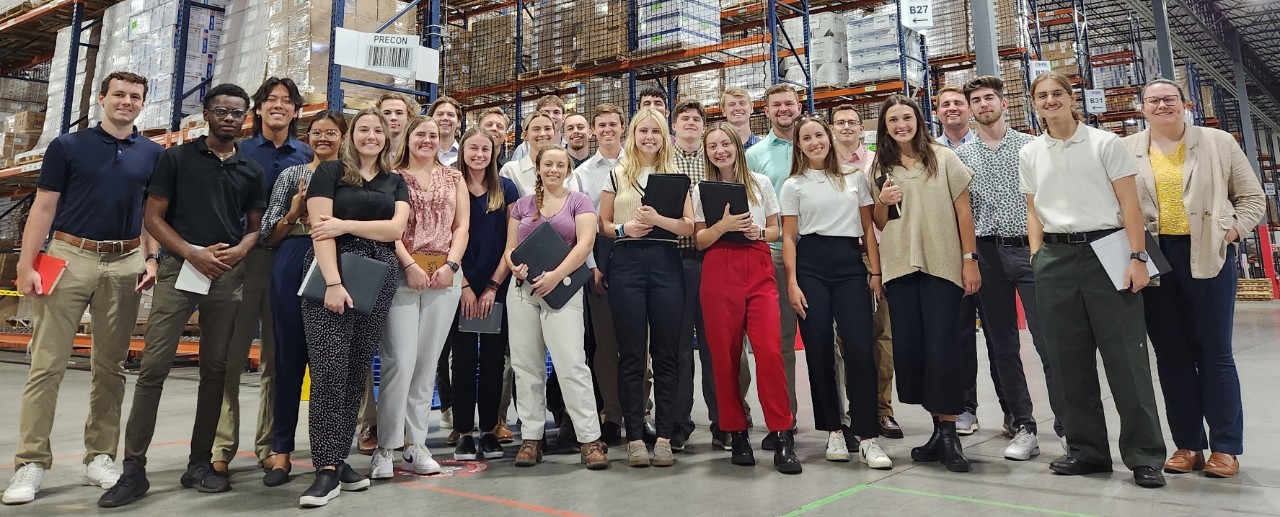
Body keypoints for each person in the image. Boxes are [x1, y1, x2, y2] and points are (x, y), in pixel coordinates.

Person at [99, 84, 266, 507]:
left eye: (237, 112)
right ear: (206, 113)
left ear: (245, 118)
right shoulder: (176, 159)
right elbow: (153, 217)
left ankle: (199, 464)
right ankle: (133, 469)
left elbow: (255, 226)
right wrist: (191, 253)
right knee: (154, 366)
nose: (229, 118)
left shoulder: (250, 169)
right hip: (180, 269)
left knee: (215, 369)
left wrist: (240, 251)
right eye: (221, 110)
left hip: (225, 273)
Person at [3, 71, 163, 506]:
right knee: (47, 363)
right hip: (69, 255)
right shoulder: (68, 146)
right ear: (101, 98)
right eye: (119, 94)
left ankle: (100, 455)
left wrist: (151, 258)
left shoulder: (153, 154)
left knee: (111, 366)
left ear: (143, 103)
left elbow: (150, 215)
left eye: (135, 96)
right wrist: (26, 264)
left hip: (126, 260)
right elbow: (43, 207)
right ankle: (31, 462)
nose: (126, 102)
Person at [1020, 72, 1167, 489]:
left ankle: (1144, 456)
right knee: (1067, 359)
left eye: (1057, 94)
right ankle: (1087, 451)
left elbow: (1130, 204)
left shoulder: (1105, 143)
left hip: (1108, 250)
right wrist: (1037, 254)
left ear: (1072, 98)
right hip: (1055, 257)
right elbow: (1032, 208)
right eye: (1042, 96)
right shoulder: (1030, 152)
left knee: (1126, 358)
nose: (1050, 100)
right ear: (1034, 103)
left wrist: (1138, 257)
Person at [1124, 78, 1264, 479]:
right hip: (1153, 256)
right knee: (1171, 357)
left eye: (1169, 98)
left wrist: (1229, 232)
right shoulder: (1126, 149)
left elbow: (1252, 198)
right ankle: (1188, 445)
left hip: (1208, 251)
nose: (1161, 105)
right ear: (1142, 108)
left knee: (1215, 353)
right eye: (1153, 100)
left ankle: (1225, 447)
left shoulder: (1218, 142)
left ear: (1184, 103)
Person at [297, 108, 409, 506]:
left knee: (355, 371)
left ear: (387, 137)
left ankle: (339, 458)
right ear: (351, 135)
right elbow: (320, 230)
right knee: (329, 370)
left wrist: (345, 224)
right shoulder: (330, 172)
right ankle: (325, 469)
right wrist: (332, 282)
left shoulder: (395, 181)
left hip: (378, 275)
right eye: (363, 129)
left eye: (378, 130)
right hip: (334, 271)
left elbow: (395, 229)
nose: (371, 135)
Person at [954, 75, 1066, 461]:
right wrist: (969, 259)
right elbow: (962, 214)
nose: (983, 104)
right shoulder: (961, 157)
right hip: (987, 253)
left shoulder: (1032, 147)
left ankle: (1067, 425)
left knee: (1048, 340)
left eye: (989, 98)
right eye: (976, 100)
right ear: (970, 109)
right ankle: (1023, 425)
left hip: (1032, 249)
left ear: (1003, 103)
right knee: (1002, 345)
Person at [871, 95, 980, 473]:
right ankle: (938, 431)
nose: (901, 125)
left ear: (918, 120)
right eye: (893, 120)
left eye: (907, 117)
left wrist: (969, 259)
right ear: (885, 127)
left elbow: (964, 211)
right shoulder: (881, 166)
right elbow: (880, 222)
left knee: (944, 350)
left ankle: (950, 436)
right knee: (916, 353)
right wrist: (883, 201)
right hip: (901, 269)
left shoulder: (943, 158)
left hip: (942, 266)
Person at [214, 76, 313, 478]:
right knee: (231, 354)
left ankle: (269, 445)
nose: (278, 105)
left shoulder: (306, 155)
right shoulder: (241, 150)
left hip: (286, 260)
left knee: (278, 357)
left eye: (287, 100)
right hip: (244, 258)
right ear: (258, 108)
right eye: (271, 99)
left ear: (296, 110)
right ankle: (222, 446)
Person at [782, 117, 890, 470]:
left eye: (819, 135)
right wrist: (792, 282)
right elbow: (789, 238)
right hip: (811, 267)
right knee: (819, 350)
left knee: (859, 348)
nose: (814, 142)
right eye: (806, 138)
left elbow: (867, 228)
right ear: (799, 146)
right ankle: (833, 430)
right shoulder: (794, 185)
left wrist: (875, 272)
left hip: (849, 266)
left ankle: (868, 436)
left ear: (829, 138)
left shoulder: (853, 177)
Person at [693, 122, 799, 473]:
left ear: (736, 146)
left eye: (725, 143)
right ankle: (736, 432)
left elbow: (776, 229)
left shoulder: (760, 183)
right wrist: (722, 227)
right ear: (706, 153)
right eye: (712, 146)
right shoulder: (700, 191)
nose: (720, 151)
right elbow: (699, 240)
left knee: (769, 351)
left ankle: (781, 433)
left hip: (757, 265)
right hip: (718, 268)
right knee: (724, 356)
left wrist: (758, 231)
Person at [370, 117, 469, 479]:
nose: (427, 140)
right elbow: (391, 229)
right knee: (399, 361)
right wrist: (409, 265)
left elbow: (462, 226)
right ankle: (385, 447)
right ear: (408, 138)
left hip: (444, 278)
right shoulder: (392, 177)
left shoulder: (454, 178)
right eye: (420, 134)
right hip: (402, 274)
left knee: (427, 365)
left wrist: (451, 266)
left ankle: (416, 445)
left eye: (433, 135)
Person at [598, 107, 695, 467]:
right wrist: (626, 229)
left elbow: (688, 226)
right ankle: (636, 437)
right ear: (633, 135)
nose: (649, 137)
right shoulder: (617, 173)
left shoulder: (676, 176)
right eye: (643, 131)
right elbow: (602, 223)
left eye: (656, 131)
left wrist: (658, 220)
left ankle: (665, 436)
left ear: (664, 136)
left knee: (666, 353)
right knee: (631, 354)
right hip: (626, 263)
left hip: (666, 262)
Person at [503, 145, 610, 470]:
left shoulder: (579, 201)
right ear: (538, 168)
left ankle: (589, 439)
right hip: (523, 292)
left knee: (572, 364)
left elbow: (585, 244)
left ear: (567, 170)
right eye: (547, 164)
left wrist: (556, 276)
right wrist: (515, 266)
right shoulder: (522, 206)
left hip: (562, 291)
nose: (553, 169)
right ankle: (531, 438)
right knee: (526, 366)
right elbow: (510, 248)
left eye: (560, 165)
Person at [258, 110, 348, 487]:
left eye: (331, 132)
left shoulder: (350, 177)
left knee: (333, 363)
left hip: (337, 263)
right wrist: (295, 211)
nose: (323, 138)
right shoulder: (292, 175)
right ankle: (281, 449)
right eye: (316, 132)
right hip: (294, 257)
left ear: (343, 137)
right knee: (288, 357)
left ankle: (331, 454)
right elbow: (268, 233)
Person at [449, 127, 519, 461]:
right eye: (473, 148)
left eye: (485, 150)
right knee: (462, 359)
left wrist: (493, 286)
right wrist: (463, 285)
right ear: (462, 151)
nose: (479, 155)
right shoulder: (451, 186)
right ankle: (464, 431)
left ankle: (489, 430)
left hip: (496, 285)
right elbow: (446, 238)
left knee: (493, 360)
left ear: (494, 153)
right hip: (459, 284)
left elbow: (512, 242)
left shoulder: (505, 188)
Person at [829, 104, 900, 439]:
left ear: (861, 128)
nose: (846, 127)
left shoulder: (879, 163)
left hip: (879, 256)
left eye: (852, 122)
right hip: (841, 257)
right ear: (831, 129)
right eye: (840, 122)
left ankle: (883, 411)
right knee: (846, 339)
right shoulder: (824, 166)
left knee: (882, 335)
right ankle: (855, 410)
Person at [357, 92, 421, 452]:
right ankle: (369, 422)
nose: (393, 119)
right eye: (387, 113)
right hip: (373, 260)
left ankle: (401, 424)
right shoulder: (366, 162)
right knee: (365, 346)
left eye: (399, 113)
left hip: (413, 269)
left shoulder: (418, 155)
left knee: (403, 352)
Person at [745, 84, 803, 449]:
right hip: (778, 253)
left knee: (833, 341)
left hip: (818, 250)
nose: (783, 109)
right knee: (781, 342)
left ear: (799, 106)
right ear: (765, 111)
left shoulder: (815, 143)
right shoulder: (754, 156)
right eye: (776, 105)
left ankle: (840, 418)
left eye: (789, 103)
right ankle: (787, 419)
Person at [935, 85, 991, 436]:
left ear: (969, 109)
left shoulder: (987, 144)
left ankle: (1015, 414)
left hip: (991, 247)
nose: (952, 108)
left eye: (958, 103)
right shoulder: (931, 151)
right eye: (945, 104)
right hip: (949, 254)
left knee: (1000, 338)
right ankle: (966, 408)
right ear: (937, 112)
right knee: (959, 336)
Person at [572, 103, 627, 444]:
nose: (607, 130)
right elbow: (584, 228)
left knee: (638, 343)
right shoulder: (582, 174)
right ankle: (612, 414)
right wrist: (592, 267)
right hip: (601, 258)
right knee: (606, 345)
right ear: (594, 130)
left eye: (613, 124)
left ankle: (640, 412)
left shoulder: (637, 163)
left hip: (635, 256)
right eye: (601, 125)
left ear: (623, 127)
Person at [670, 99, 713, 452]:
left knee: (715, 345)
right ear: (674, 125)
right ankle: (679, 423)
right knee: (680, 347)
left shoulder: (713, 157)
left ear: (703, 125)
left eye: (696, 119)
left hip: (712, 257)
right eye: (684, 118)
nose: (690, 123)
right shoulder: (663, 158)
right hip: (676, 259)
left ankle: (724, 422)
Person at [501, 113, 558, 196]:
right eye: (536, 129)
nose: (543, 133)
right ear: (526, 135)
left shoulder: (565, 169)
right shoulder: (510, 170)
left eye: (547, 128)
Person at [510, 95, 567, 161]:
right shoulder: (523, 149)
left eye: (556, 112)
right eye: (546, 112)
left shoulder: (570, 148)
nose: (551, 116)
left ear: (563, 118)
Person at [429, 96, 463, 167]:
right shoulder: (420, 153)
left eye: (450, 115)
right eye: (440, 114)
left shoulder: (465, 155)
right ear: (430, 119)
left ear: (459, 122)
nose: (445, 118)